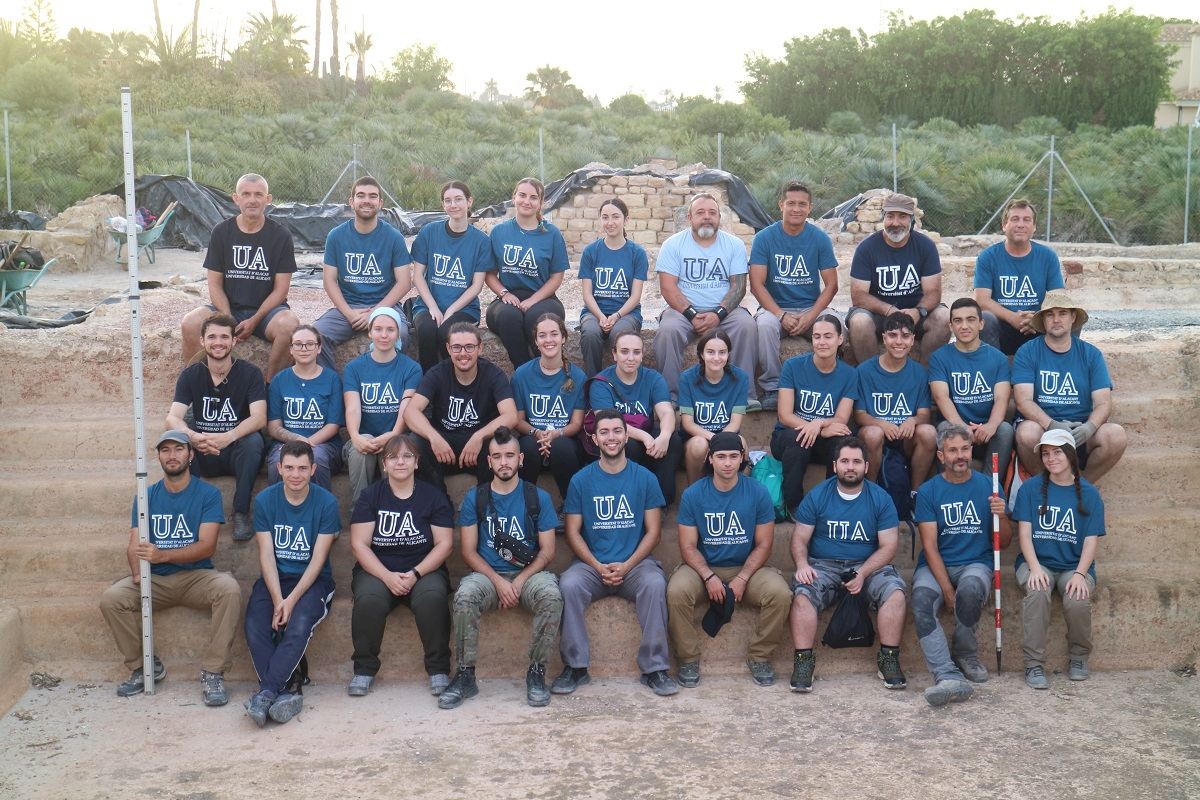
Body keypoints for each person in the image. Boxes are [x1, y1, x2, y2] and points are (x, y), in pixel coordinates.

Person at [99, 430, 241, 705]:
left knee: (229, 589)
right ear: (159, 457)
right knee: (112, 598)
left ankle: (213, 672)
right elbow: (134, 544)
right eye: (165, 450)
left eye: (178, 449)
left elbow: (207, 546)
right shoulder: (146, 495)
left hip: (196, 577)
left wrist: (162, 556)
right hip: (156, 580)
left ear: (191, 454)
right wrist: (137, 574)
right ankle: (143, 667)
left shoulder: (208, 494)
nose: (172, 455)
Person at [553, 409, 679, 697]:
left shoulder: (645, 478)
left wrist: (627, 565)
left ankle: (655, 669)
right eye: (604, 432)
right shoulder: (581, 480)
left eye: (617, 431)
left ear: (626, 436)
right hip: (591, 565)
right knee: (569, 584)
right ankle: (575, 667)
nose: (611, 437)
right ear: (594, 438)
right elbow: (572, 532)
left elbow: (654, 532)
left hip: (635, 564)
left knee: (655, 583)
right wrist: (597, 566)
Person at [439, 427, 563, 709]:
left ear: (521, 459)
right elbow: (468, 551)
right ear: (489, 461)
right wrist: (498, 582)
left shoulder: (537, 497)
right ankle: (465, 675)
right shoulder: (476, 497)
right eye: (497, 456)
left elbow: (548, 551)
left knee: (551, 596)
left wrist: (519, 581)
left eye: (509, 455)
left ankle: (536, 673)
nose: (504, 462)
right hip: (488, 576)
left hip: (529, 574)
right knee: (465, 595)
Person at [667, 432, 791, 687]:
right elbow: (687, 547)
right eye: (721, 457)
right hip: (703, 568)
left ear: (742, 458)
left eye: (733, 457)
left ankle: (759, 656)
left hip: (746, 567)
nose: (727, 463)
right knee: (676, 591)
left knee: (780, 593)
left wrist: (743, 578)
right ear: (710, 459)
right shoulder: (693, 494)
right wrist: (708, 576)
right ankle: (688, 658)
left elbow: (764, 545)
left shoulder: (757, 492)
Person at [788, 436, 908, 693]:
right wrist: (802, 564)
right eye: (844, 461)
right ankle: (803, 662)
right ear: (835, 465)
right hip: (824, 565)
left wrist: (863, 573)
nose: (850, 467)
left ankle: (889, 659)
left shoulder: (880, 498)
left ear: (866, 466)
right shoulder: (818, 495)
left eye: (856, 461)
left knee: (895, 593)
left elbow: (889, 546)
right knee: (802, 595)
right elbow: (799, 539)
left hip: (868, 565)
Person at [347, 434, 455, 697]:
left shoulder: (433, 496)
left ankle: (438, 669)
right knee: (369, 600)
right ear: (384, 464)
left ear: (417, 462)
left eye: (407, 456)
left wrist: (416, 573)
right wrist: (387, 576)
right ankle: (364, 670)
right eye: (393, 457)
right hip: (378, 569)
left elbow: (444, 545)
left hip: (423, 569)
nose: (400, 462)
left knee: (432, 598)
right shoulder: (371, 496)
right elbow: (359, 545)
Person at [912, 425, 1012, 707]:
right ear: (941, 456)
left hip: (975, 563)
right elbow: (929, 546)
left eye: (965, 449)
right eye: (953, 450)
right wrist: (946, 590)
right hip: (937, 565)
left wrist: (1002, 516)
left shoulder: (989, 487)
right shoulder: (929, 491)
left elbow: (1004, 542)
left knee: (970, 590)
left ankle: (965, 653)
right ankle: (946, 675)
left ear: (972, 450)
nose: (960, 456)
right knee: (921, 601)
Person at [242, 441, 340, 727]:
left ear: (313, 470)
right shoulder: (265, 500)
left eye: (302, 468)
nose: (295, 474)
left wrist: (291, 600)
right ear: (279, 468)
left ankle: (266, 692)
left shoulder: (327, 503)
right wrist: (277, 600)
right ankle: (284, 691)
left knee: (298, 625)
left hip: (313, 581)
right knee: (254, 623)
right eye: (289, 468)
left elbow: (318, 559)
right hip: (275, 579)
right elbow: (266, 555)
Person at [181, 173, 300, 381]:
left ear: (268, 199)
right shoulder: (221, 232)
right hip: (227, 307)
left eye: (258, 194)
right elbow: (214, 284)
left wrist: (255, 319)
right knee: (190, 323)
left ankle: (271, 388)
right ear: (236, 198)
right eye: (246, 194)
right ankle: (197, 388)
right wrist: (227, 318)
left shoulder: (280, 236)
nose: (252, 200)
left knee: (290, 325)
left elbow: (281, 290)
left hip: (267, 313)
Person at [1012, 428, 1106, 689]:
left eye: (1057, 453)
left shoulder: (1089, 493)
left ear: (1070, 455)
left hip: (1073, 566)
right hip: (1036, 562)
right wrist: (1034, 568)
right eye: (1045, 454)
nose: (1051, 459)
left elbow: (1091, 540)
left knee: (1077, 598)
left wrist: (1080, 574)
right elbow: (1024, 534)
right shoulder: (1030, 489)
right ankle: (1033, 664)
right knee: (1037, 591)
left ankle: (1079, 657)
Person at [166, 313, 266, 541]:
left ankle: (240, 513)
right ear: (202, 341)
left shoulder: (250, 373)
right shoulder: (191, 375)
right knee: (177, 439)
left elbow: (259, 418)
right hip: (203, 449)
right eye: (212, 337)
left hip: (235, 452)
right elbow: (172, 418)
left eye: (224, 337)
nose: (218, 342)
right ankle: (190, 512)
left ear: (234, 340)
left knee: (254, 441)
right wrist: (192, 436)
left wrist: (229, 436)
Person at [654, 193, 757, 408]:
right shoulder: (673, 244)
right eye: (700, 212)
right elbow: (668, 287)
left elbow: (738, 287)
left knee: (746, 325)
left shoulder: (734, 245)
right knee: (668, 330)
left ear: (719, 217)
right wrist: (691, 314)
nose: (707, 217)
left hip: (725, 311)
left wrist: (718, 314)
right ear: (689, 217)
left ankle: (744, 395)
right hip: (682, 311)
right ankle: (670, 397)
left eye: (712, 212)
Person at [1012, 291, 1127, 482]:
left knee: (1116, 435)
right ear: (1043, 320)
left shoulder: (1091, 354)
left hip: (1080, 429)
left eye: (1063, 313)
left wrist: (1089, 427)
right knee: (1027, 432)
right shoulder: (1028, 352)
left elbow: (1103, 403)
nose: (1056, 320)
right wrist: (1051, 425)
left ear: (1073, 317)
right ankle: (1046, 487)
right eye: (1050, 315)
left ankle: (1079, 488)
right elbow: (1023, 401)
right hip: (1044, 430)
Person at [750, 181, 840, 411]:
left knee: (834, 325)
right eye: (791, 203)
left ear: (810, 208)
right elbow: (756, 285)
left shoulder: (819, 238)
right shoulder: (764, 238)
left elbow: (831, 285)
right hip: (775, 307)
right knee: (765, 326)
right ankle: (772, 388)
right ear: (781, 205)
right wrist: (780, 315)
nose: (796, 209)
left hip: (811, 306)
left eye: (802, 204)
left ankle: (830, 382)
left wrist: (811, 316)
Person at [404, 323, 519, 497]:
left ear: (480, 348)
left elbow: (510, 416)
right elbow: (410, 412)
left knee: (500, 442)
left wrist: (479, 436)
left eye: (469, 347)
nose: (463, 353)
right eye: (457, 347)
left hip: (479, 450)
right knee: (415, 442)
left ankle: (485, 503)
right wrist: (434, 437)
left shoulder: (493, 374)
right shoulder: (437, 373)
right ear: (448, 349)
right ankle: (439, 503)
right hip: (444, 449)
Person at [314, 176, 413, 371]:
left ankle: (385, 384)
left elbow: (404, 283)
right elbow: (329, 281)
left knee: (400, 334)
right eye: (361, 195)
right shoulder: (336, 236)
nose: (366, 200)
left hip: (385, 305)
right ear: (351, 202)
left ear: (380, 203)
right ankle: (332, 385)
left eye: (372, 196)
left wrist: (375, 313)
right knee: (315, 335)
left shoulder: (393, 237)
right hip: (348, 306)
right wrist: (349, 313)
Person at [846, 193, 949, 366]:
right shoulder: (866, 248)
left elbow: (933, 292)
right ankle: (871, 375)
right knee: (859, 322)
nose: (895, 223)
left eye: (902, 216)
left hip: (916, 313)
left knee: (944, 317)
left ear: (911, 220)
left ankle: (926, 374)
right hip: (879, 314)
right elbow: (858, 295)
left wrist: (918, 311)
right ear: (883, 218)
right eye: (890, 216)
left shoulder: (926, 246)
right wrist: (889, 310)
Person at [773, 315, 857, 516]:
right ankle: (794, 505)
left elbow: (841, 420)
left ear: (840, 339)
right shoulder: (793, 366)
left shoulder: (849, 374)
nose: (821, 342)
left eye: (828, 336)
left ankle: (833, 502)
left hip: (824, 438)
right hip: (789, 437)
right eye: (817, 336)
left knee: (842, 441)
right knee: (799, 440)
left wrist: (817, 424)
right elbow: (784, 415)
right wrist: (814, 428)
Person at [587, 331, 682, 506]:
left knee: (674, 440)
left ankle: (662, 503)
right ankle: (631, 501)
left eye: (636, 352)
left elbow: (666, 412)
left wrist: (665, 436)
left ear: (642, 354)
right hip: (617, 438)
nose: (631, 358)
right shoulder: (601, 382)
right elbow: (608, 424)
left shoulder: (653, 378)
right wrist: (645, 437)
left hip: (647, 441)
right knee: (626, 442)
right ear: (614, 354)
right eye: (624, 352)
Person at [341, 308, 423, 507]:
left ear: (398, 333)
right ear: (370, 332)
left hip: (396, 435)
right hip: (363, 438)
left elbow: (406, 408)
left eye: (390, 330)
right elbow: (353, 407)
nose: (384, 335)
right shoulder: (354, 368)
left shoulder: (411, 368)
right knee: (360, 451)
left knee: (395, 448)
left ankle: (393, 508)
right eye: (378, 329)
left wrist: (393, 434)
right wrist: (355, 436)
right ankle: (360, 509)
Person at [484, 177, 569, 367]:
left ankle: (547, 369)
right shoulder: (499, 232)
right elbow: (489, 274)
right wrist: (504, 293)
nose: (526, 201)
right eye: (522, 195)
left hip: (544, 298)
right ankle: (524, 370)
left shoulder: (551, 234)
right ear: (514, 197)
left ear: (541, 203)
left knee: (536, 320)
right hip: (508, 297)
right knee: (508, 317)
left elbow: (557, 277)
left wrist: (533, 300)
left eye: (533, 197)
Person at [410, 181, 493, 371]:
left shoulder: (481, 240)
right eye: (448, 200)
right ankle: (430, 382)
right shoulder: (429, 232)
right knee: (427, 332)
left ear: (469, 201)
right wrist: (433, 307)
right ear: (443, 204)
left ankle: (452, 382)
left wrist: (451, 310)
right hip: (428, 304)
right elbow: (418, 276)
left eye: (458, 199)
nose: (453, 205)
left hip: (464, 308)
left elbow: (476, 286)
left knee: (447, 334)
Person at [928, 298, 1015, 480]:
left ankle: (990, 487)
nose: (964, 326)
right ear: (951, 326)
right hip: (956, 426)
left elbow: (1002, 398)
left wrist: (991, 425)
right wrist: (962, 426)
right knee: (944, 427)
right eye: (958, 321)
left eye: (971, 319)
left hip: (987, 430)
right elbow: (941, 397)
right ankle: (952, 485)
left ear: (981, 324)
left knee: (1005, 429)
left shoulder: (998, 358)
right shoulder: (939, 358)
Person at [854, 312, 936, 500]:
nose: (899, 341)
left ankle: (915, 493)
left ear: (913, 340)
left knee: (929, 432)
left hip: (905, 438)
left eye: (905, 336)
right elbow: (859, 414)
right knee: (873, 433)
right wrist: (881, 423)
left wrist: (913, 420)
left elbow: (924, 414)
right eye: (893, 335)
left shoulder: (920, 373)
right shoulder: (864, 371)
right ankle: (870, 492)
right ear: (884, 338)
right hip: (875, 438)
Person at [511, 313, 587, 506]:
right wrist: (538, 433)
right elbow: (518, 420)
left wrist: (556, 434)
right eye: (542, 335)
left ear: (563, 338)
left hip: (565, 441)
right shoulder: (522, 374)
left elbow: (576, 424)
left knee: (561, 446)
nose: (548, 340)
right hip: (533, 438)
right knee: (527, 447)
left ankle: (571, 506)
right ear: (536, 341)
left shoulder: (577, 376)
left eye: (554, 334)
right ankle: (526, 506)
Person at [974, 199, 1064, 356]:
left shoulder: (1047, 256)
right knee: (985, 318)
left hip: (1039, 326)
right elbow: (981, 300)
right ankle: (994, 368)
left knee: (1069, 317)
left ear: (1034, 227)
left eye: (1026, 220)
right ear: (1004, 225)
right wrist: (1012, 318)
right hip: (1002, 327)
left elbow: (1059, 298)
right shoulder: (988, 257)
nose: (1020, 224)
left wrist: (1037, 319)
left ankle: (1056, 365)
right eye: (1015, 219)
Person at [266, 325, 343, 491]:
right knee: (277, 463)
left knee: (317, 460)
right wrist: (295, 440)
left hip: (324, 445)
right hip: (286, 443)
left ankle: (321, 507)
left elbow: (333, 425)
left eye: (310, 344)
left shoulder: (332, 379)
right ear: (291, 349)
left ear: (319, 348)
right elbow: (273, 427)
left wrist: (306, 445)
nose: (304, 348)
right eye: (298, 344)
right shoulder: (279, 380)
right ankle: (278, 507)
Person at [578, 198, 648, 376]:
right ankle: (593, 383)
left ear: (626, 219)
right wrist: (601, 316)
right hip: (594, 312)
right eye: (605, 217)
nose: (610, 222)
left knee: (620, 334)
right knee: (590, 333)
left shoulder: (637, 253)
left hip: (627, 313)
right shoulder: (590, 252)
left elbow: (635, 296)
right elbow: (587, 294)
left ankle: (623, 382)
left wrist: (616, 316)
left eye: (616, 217)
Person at [677, 330, 749, 485]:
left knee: (741, 443)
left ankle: (733, 490)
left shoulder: (740, 378)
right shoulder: (687, 378)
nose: (716, 358)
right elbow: (688, 424)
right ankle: (695, 490)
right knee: (699, 445)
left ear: (728, 354)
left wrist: (720, 442)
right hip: (695, 438)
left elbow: (735, 423)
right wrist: (714, 440)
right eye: (710, 352)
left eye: (722, 352)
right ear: (701, 354)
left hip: (726, 434)